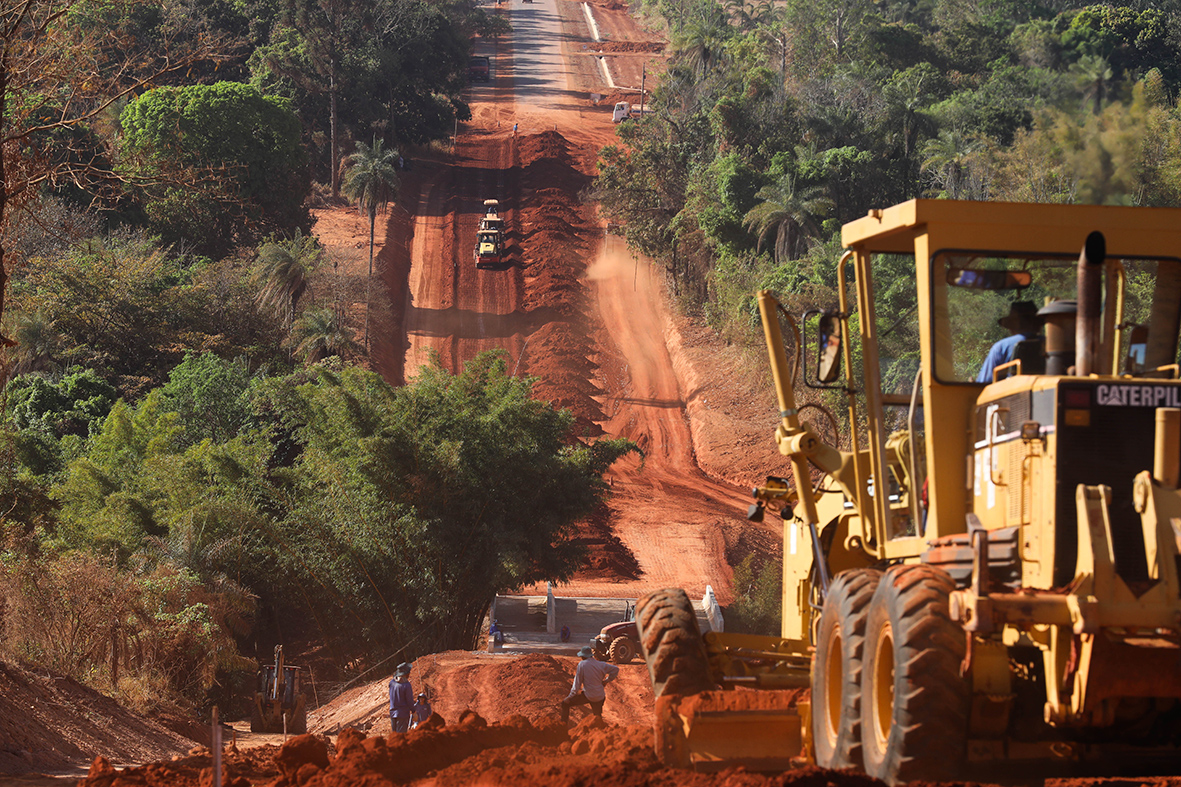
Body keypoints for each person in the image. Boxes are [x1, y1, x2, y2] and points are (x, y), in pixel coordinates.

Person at [977, 301, 1040, 383]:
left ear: (1012, 326)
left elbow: (984, 383)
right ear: (1038, 325)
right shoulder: (1049, 345)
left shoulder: (1001, 347)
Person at [559, 645, 619, 725]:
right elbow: (615, 669)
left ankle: (562, 727)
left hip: (588, 695)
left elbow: (577, 683)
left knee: (565, 704)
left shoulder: (582, 664)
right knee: (597, 718)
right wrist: (606, 681)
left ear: (583, 656)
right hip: (600, 696)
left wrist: (569, 697)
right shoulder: (601, 664)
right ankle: (600, 732)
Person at [388, 662, 415, 733]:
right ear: (406, 674)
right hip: (403, 714)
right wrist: (413, 711)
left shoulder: (392, 682)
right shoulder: (407, 685)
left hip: (393, 713)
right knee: (400, 737)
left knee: (395, 735)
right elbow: (409, 700)